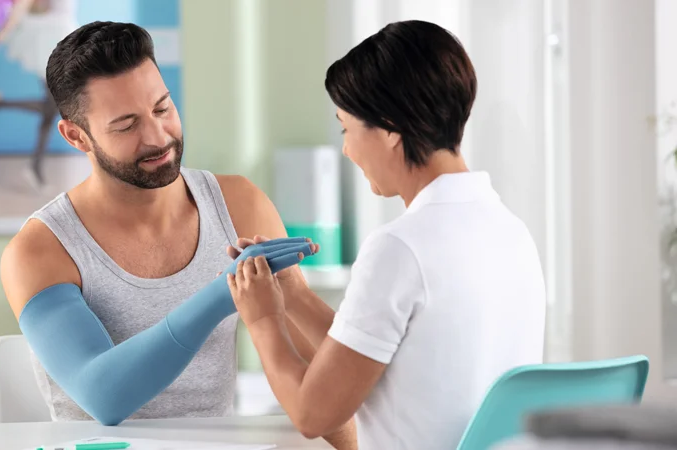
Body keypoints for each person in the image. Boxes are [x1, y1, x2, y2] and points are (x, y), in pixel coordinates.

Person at [0, 21, 356, 449]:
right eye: (126, 125)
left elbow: (317, 376)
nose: (156, 137)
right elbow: (103, 395)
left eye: (162, 108)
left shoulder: (239, 205)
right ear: (77, 136)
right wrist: (221, 295)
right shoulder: (42, 248)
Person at [228, 20, 547, 449]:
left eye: (346, 128)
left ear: (390, 127)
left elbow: (312, 412)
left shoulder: (400, 248)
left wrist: (263, 318)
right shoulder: (512, 233)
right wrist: (293, 295)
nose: (346, 149)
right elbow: (371, 357)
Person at [0, 0, 78, 191]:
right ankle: (34, 168)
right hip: (50, 44)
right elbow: (22, 6)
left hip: (62, 38)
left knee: (50, 110)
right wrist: (2, 34)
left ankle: (35, 168)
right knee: (53, 107)